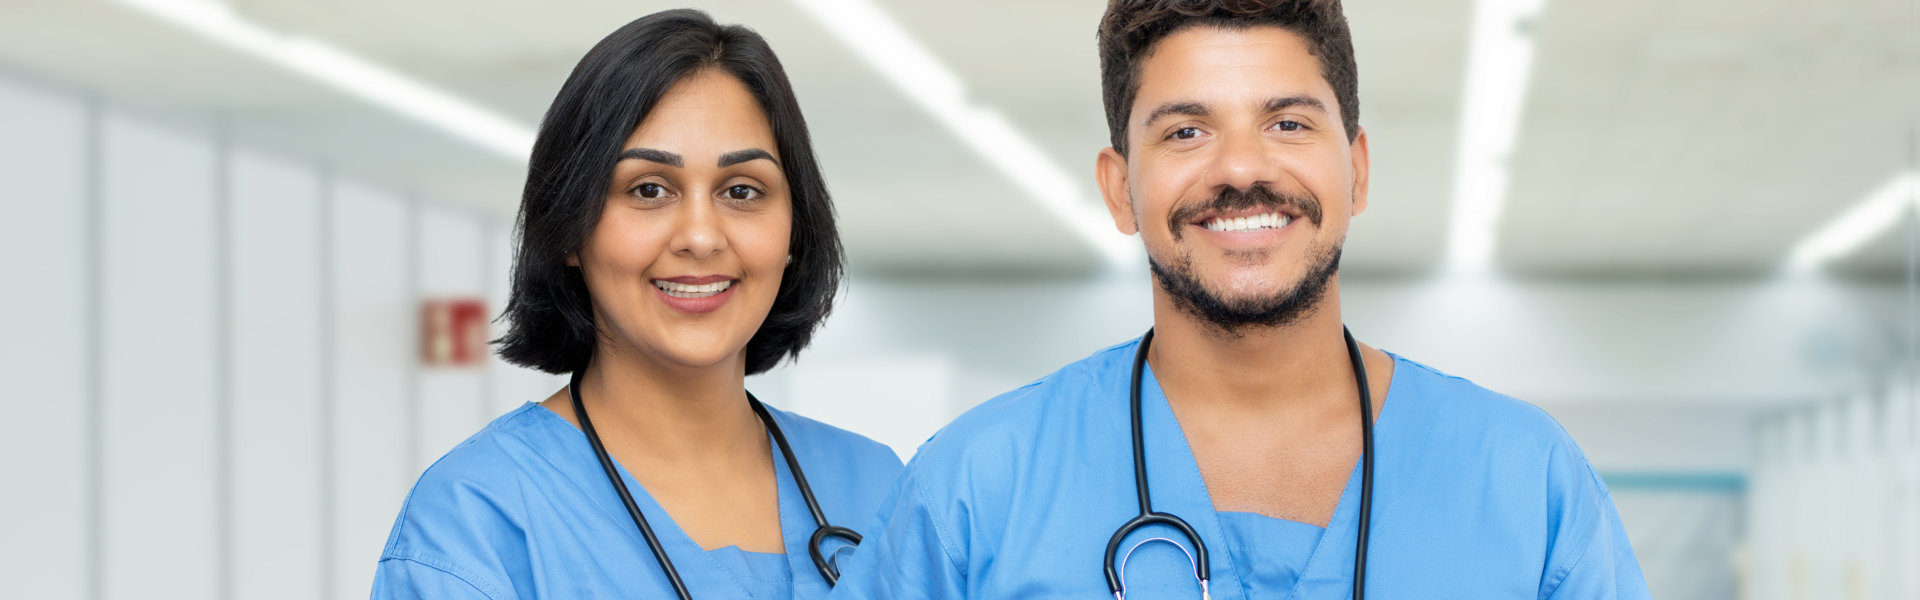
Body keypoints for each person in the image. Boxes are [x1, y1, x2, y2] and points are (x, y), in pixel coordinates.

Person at [827, 1, 1650, 598]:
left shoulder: (1525, 482)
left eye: (1289, 123)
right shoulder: (977, 489)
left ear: (1357, 170)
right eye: (1186, 131)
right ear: (1119, 190)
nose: (1241, 167)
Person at [372, 10, 902, 599]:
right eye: (648, 190)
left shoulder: (879, 488)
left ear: (794, 233)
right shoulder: (478, 520)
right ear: (571, 229)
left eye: (742, 191)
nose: (700, 237)